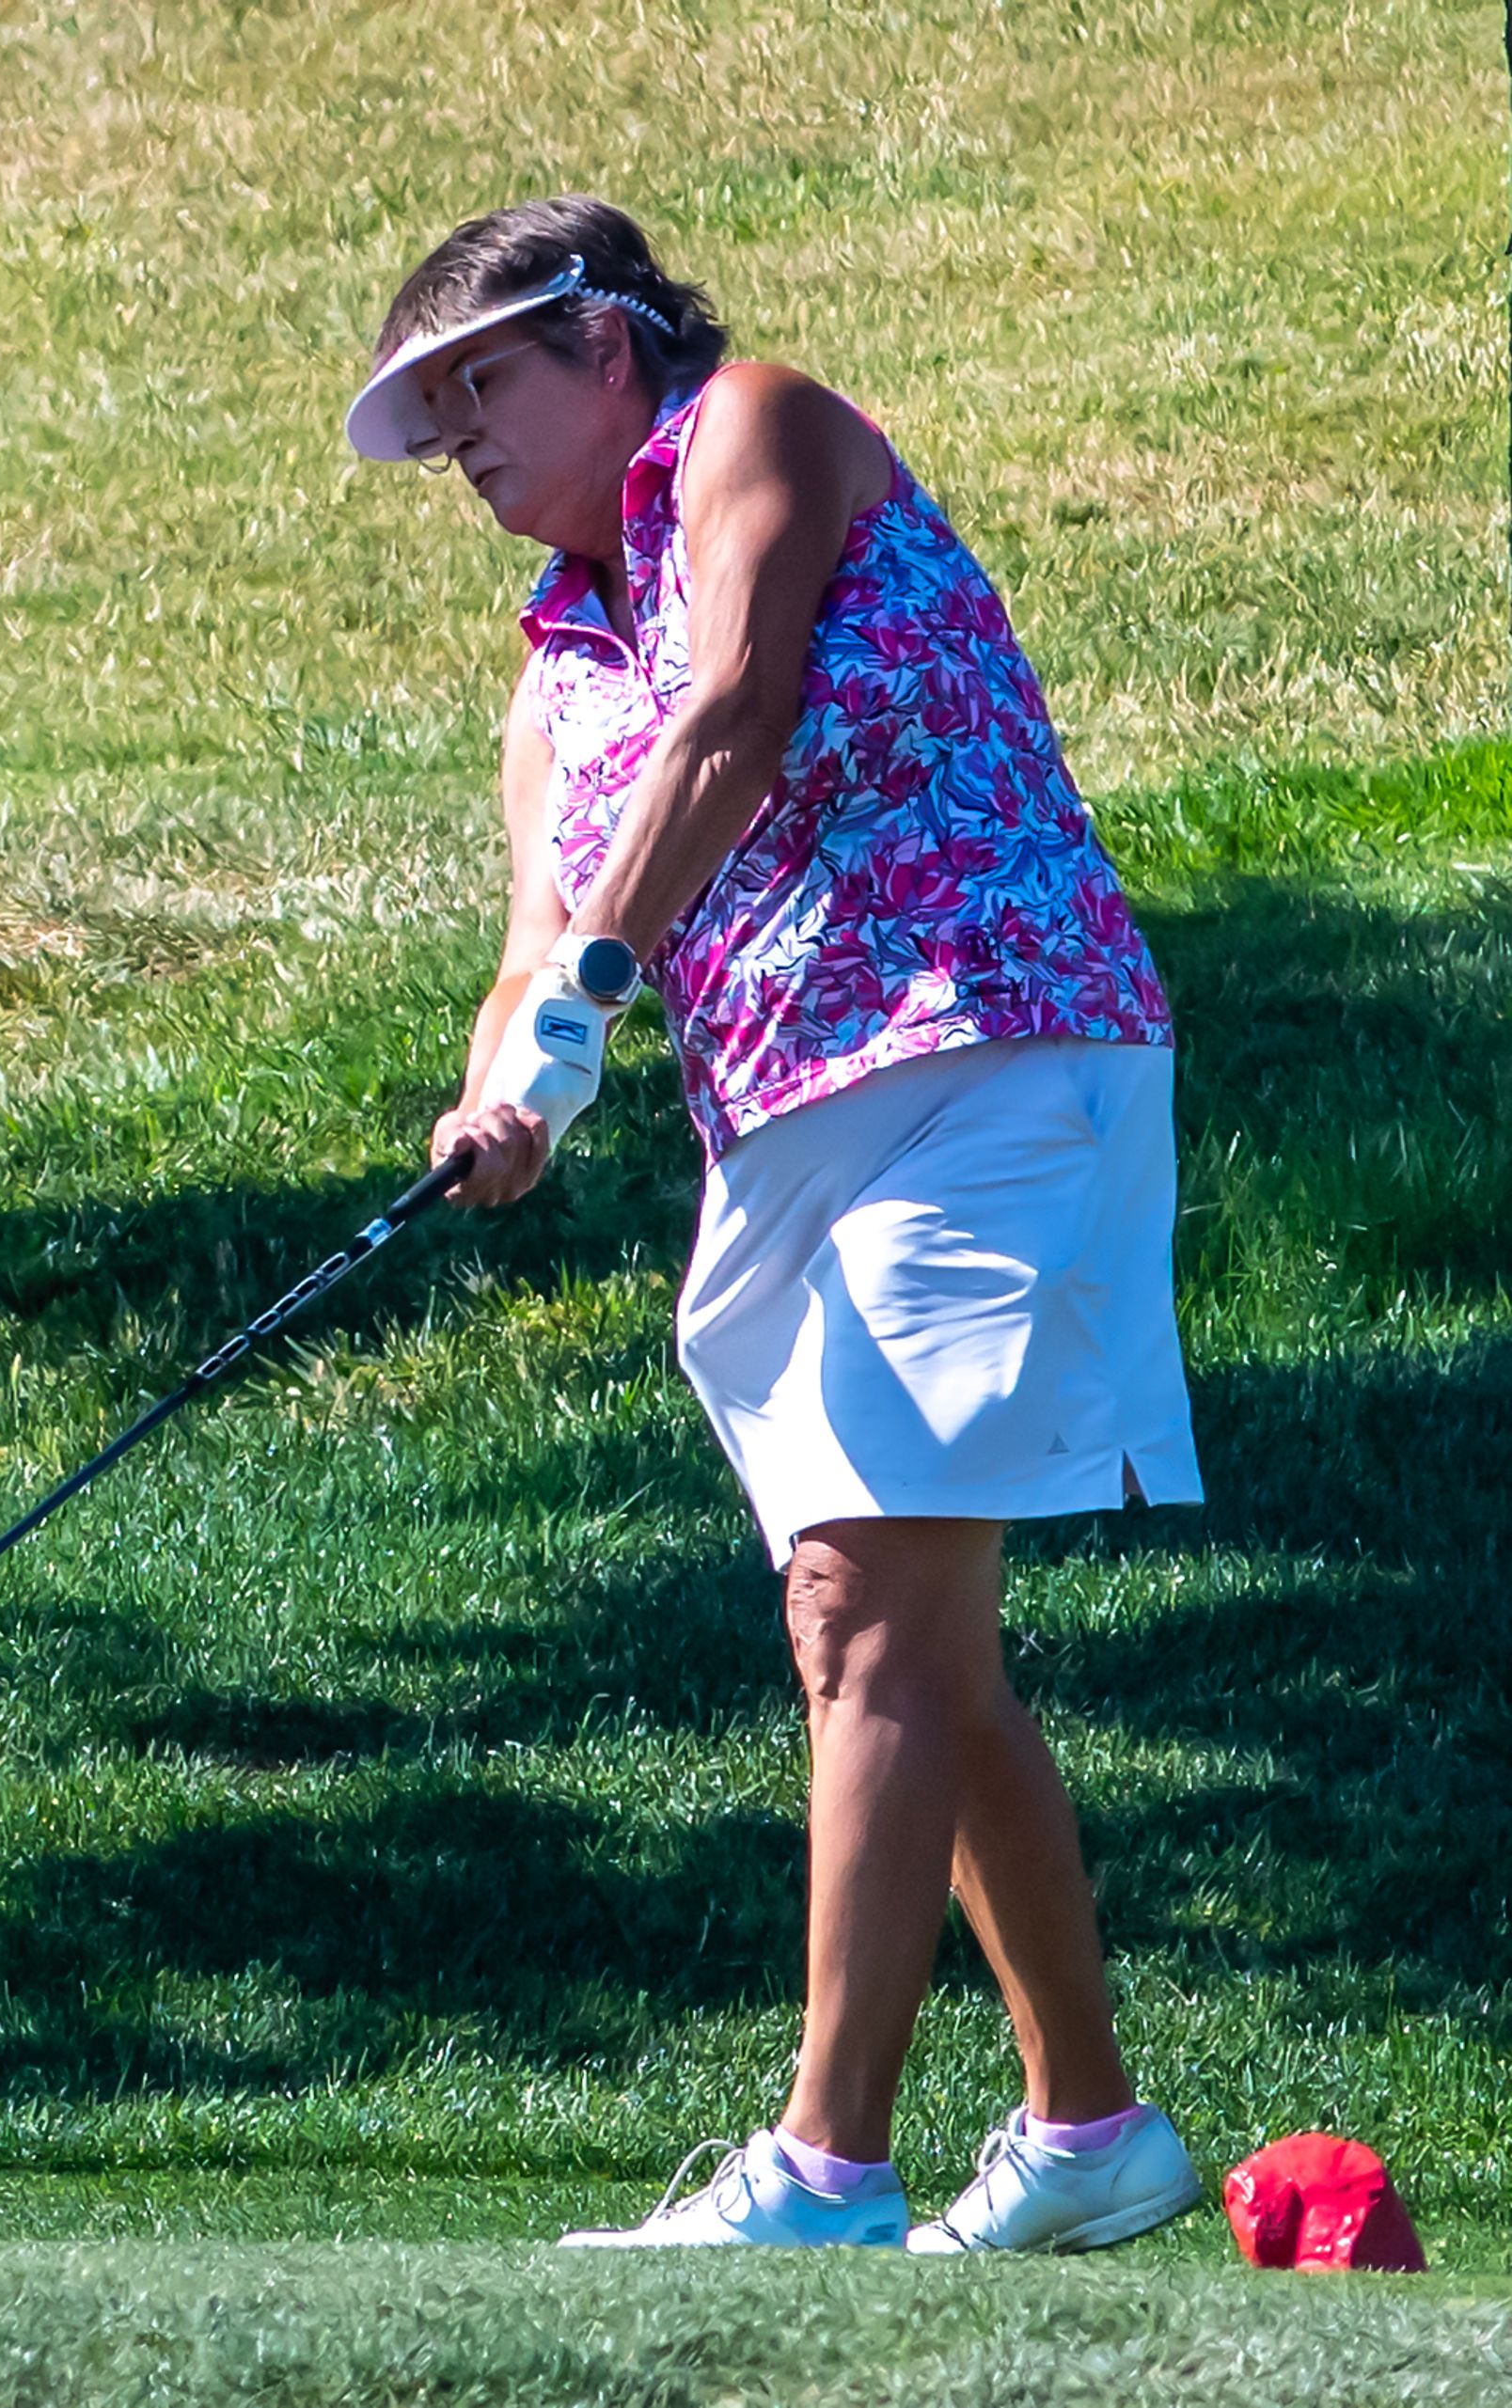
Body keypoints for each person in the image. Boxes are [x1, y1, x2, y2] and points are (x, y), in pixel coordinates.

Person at [342, 196, 1205, 2252]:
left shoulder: (757, 423)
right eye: (430, 412)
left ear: (610, 344)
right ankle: (1095, 2135)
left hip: (987, 1045)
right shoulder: (553, 673)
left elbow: (734, 709)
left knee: (875, 1605)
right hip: (785, 1128)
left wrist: (584, 1002)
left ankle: (826, 2168)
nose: (456, 436)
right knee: (877, 1630)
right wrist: (503, 1100)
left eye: (485, 383)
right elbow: (539, 935)